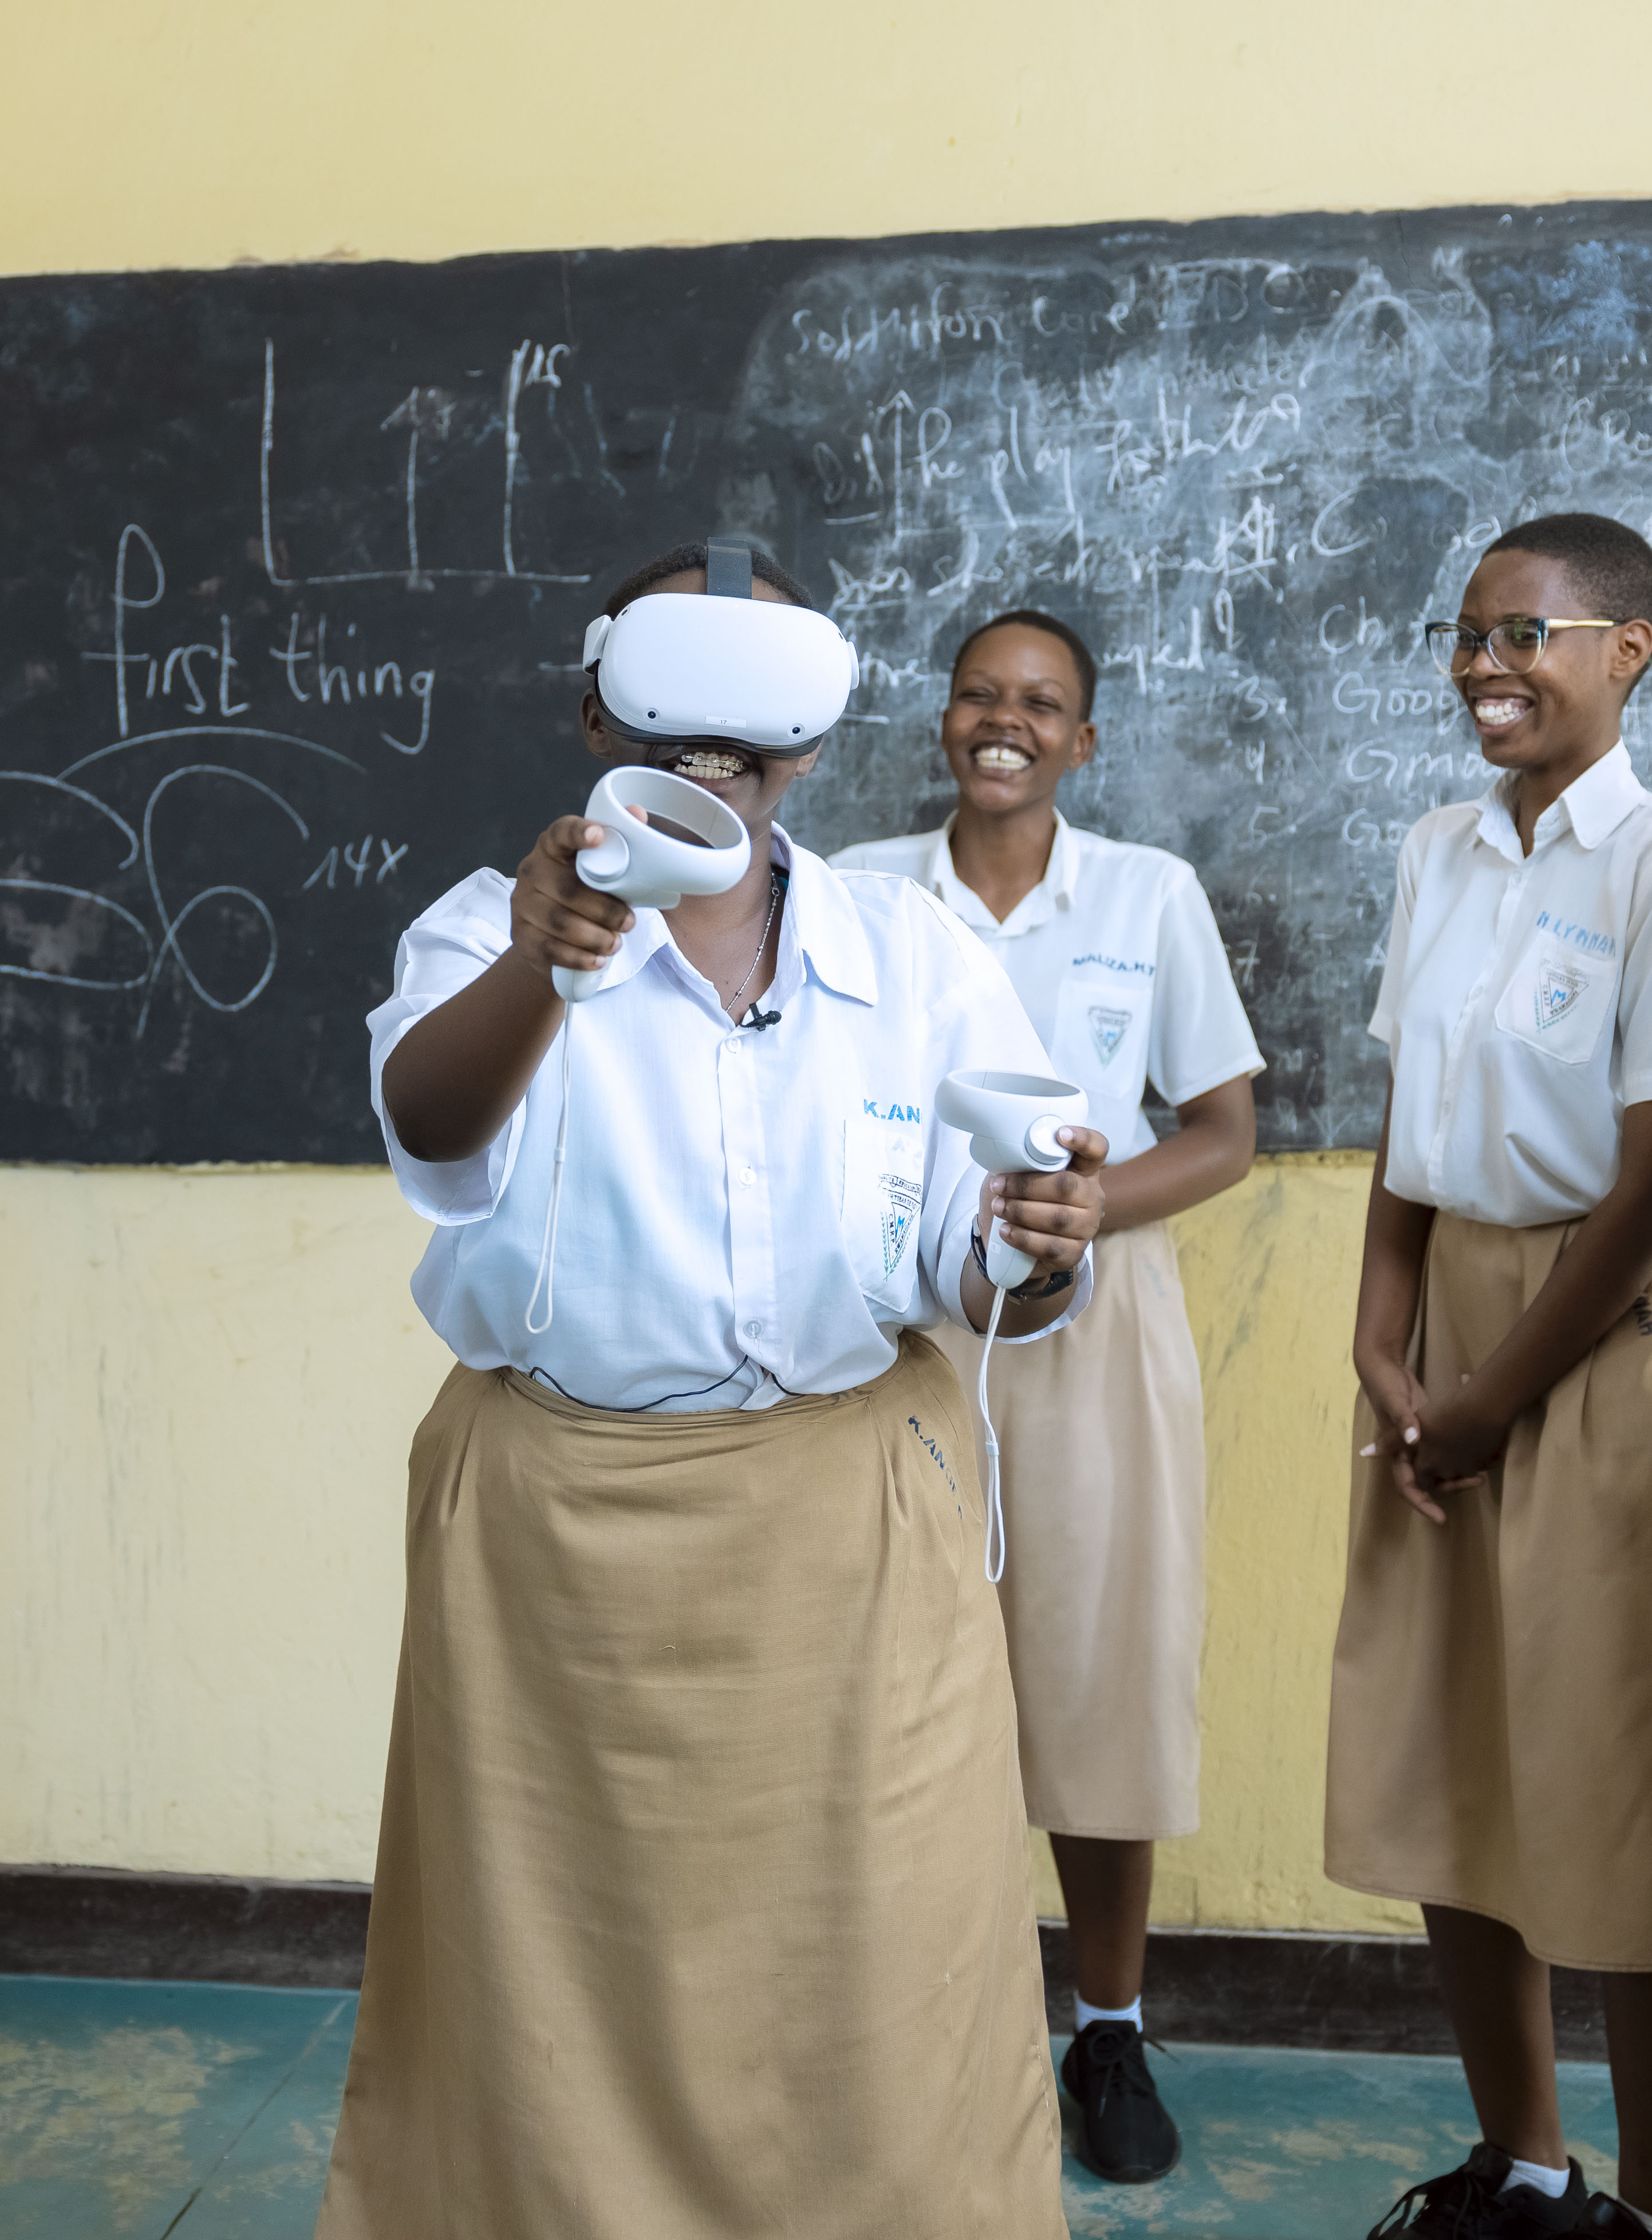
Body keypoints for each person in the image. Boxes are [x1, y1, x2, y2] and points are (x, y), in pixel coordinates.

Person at [319, 540, 1107, 2240]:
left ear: (808, 746)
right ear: (597, 701)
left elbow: (978, 1256)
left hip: (848, 1531)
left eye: (752, 738)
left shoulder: (910, 954)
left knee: (886, 1970)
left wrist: (1038, 1250)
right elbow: (433, 1129)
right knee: (545, 1994)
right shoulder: (483, 929)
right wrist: (551, 958)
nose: (711, 768)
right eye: (674, 725)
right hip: (560, 1540)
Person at [1326, 515, 1652, 2240]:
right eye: (1467, 634)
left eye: (1528, 634)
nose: (1483, 665)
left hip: (1609, 1328)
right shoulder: (1439, 849)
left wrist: (1494, 1393)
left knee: (1630, 1791)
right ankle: (1524, 2167)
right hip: (1450, 1332)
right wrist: (1381, 1329)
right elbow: (1406, 1125)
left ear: (1626, 651)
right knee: (1455, 1754)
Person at [833, 606, 1260, 2186]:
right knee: (888, 1677)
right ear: (942, 720)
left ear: (1085, 740)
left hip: (1097, 1326)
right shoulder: (859, 892)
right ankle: (906, 2021)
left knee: (1095, 1673)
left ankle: (1108, 2025)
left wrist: (1085, 1213)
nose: (1002, 724)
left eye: (1041, 705)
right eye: (976, 698)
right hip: (897, 1324)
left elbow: (1223, 1128)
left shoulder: (1144, 897)